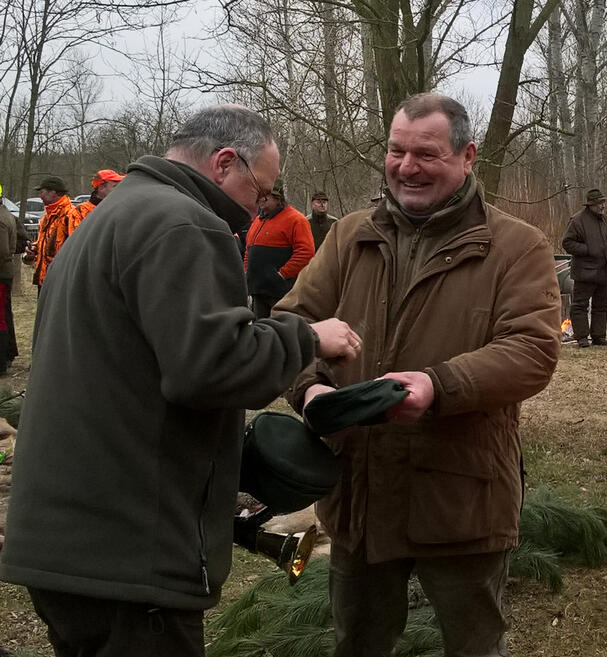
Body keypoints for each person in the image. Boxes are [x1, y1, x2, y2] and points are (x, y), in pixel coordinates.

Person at [0, 104, 361, 657]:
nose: (258, 207)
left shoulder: (110, 216)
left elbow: (139, 372)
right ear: (223, 162)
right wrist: (308, 339)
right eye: (260, 190)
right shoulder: (185, 223)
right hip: (129, 555)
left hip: (69, 543)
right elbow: (213, 368)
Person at [274, 92, 561, 657]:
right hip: (359, 491)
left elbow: (532, 351)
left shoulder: (516, 247)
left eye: (426, 154)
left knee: (473, 645)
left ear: (467, 155)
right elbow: (290, 324)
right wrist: (308, 389)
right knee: (357, 642)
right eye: (396, 151)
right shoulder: (350, 235)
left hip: (461, 495)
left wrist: (439, 385)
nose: (407, 167)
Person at [243, 179, 315, 319]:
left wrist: (282, 274)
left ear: (278, 198)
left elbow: (306, 252)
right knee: (261, 331)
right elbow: (248, 251)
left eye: (265, 197)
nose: (260, 201)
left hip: (282, 292)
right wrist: (247, 271)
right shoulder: (257, 221)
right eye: (259, 198)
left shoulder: (296, 219)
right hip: (258, 290)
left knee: (283, 331)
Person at [561, 187, 607, 348]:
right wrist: (588, 250)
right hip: (585, 272)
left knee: (601, 306)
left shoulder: (605, 220)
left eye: (603, 203)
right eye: (600, 203)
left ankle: (599, 336)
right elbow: (567, 243)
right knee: (580, 305)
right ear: (591, 204)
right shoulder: (577, 220)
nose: (602, 206)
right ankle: (582, 337)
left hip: (604, 271)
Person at [23, 176, 81, 289]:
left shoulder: (70, 215)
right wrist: (32, 251)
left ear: (53, 192)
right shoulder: (46, 217)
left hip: (61, 280)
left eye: (42, 192)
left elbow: (77, 248)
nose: (40, 196)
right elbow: (42, 244)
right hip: (44, 280)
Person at [0, 200, 15, 372]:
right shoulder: (7, 214)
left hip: (1, 274)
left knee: (1, 319)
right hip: (5, 272)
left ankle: (2, 361)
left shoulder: (1, 220)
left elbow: (2, 251)